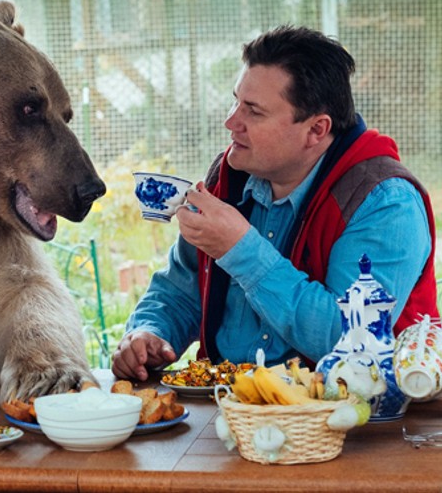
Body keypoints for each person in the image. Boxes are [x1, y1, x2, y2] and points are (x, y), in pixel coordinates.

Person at [113, 25, 437, 381]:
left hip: (351, 421)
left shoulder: (385, 202)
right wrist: (149, 333)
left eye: (253, 111)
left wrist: (240, 249)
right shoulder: (229, 175)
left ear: (316, 130)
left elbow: (353, 342)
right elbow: (181, 289)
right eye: (236, 100)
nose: (230, 121)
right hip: (229, 409)